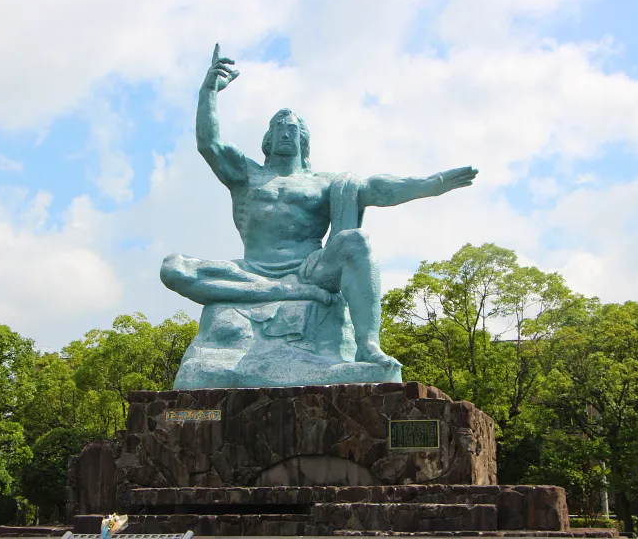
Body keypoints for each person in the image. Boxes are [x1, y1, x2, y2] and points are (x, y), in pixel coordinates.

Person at [161, 44, 478, 369]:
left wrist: (429, 184)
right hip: (252, 269)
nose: (286, 133)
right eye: (279, 128)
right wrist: (208, 92)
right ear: (267, 139)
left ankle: (367, 346)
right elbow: (209, 143)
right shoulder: (247, 175)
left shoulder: (326, 183)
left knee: (357, 242)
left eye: (294, 129)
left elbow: (377, 189)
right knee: (173, 267)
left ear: (304, 139)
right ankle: (278, 291)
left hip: (309, 270)